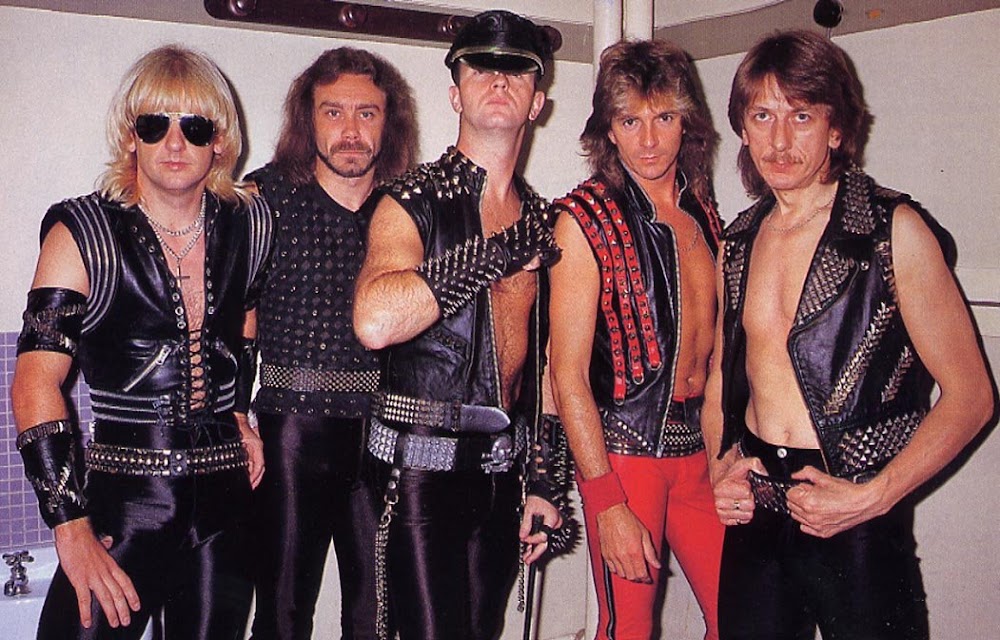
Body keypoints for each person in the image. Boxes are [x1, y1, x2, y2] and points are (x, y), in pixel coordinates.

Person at [702, 30, 994, 640]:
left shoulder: (892, 231)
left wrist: (874, 496)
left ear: (836, 129)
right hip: (758, 510)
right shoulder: (738, 241)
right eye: (763, 116)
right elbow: (718, 384)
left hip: (857, 509)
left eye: (802, 116)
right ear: (743, 129)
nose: (780, 141)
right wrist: (719, 468)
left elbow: (972, 397)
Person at [11, 45, 273, 639]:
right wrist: (70, 527)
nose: (174, 143)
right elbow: (34, 382)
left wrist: (237, 411)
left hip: (227, 505)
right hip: (127, 506)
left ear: (220, 140)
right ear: (131, 136)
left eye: (194, 126)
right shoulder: (83, 232)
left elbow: (244, 313)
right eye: (154, 124)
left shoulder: (251, 224)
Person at [352, 10, 565, 640]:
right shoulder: (410, 200)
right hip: (417, 476)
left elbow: (549, 364)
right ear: (456, 93)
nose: (498, 81)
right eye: (481, 69)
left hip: (501, 475)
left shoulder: (543, 220)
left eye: (516, 71)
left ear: (537, 103)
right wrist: (495, 254)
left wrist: (544, 479)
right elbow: (374, 320)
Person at [549, 39, 725, 640]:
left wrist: (726, 455)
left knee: (745, 618)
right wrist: (605, 500)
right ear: (609, 130)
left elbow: (720, 353)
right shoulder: (583, 219)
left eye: (664, 118)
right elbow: (566, 374)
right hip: (625, 455)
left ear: (687, 123)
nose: (649, 140)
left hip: (700, 453)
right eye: (630, 121)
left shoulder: (704, 212)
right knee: (627, 629)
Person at [243, 47, 417, 640]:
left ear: (388, 122)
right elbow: (235, 317)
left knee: (376, 616)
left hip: (383, 431)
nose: (350, 130)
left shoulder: (407, 209)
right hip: (291, 430)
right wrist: (236, 415)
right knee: (283, 611)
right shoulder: (264, 199)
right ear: (308, 118)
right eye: (333, 112)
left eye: (367, 113)